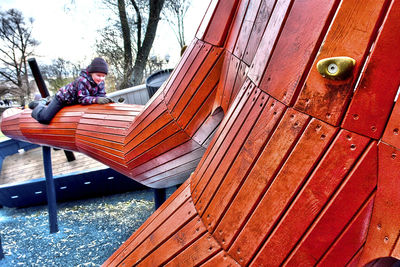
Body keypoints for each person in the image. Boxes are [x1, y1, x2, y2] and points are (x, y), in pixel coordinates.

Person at [29, 57, 114, 124]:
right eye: (98, 75)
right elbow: (82, 99)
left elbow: (101, 94)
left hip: (73, 101)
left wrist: (106, 101)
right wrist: (96, 99)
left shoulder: (101, 82)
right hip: (62, 99)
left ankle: (46, 102)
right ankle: (38, 105)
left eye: (103, 76)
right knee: (45, 118)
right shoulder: (82, 80)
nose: (101, 78)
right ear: (92, 73)